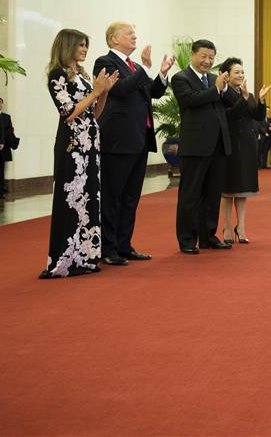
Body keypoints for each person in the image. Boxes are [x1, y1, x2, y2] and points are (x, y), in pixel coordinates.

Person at [93, 21, 174, 266]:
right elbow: (120, 90)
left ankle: (124, 245)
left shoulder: (136, 67)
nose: (134, 37)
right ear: (114, 39)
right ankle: (108, 248)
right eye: (129, 33)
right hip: (117, 140)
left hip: (139, 139)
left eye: (135, 33)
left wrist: (161, 73)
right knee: (113, 196)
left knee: (131, 197)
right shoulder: (105, 62)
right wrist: (145, 69)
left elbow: (153, 92)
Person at [42, 28, 118, 278]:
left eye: (86, 45)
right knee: (71, 199)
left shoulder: (83, 76)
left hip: (91, 143)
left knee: (90, 197)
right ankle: (64, 260)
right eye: (80, 45)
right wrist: (95, 91)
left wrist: (104, 92)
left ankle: (85, 257)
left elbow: (94, 113)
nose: (85, 49)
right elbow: (68, 113)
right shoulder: (57, 74)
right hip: (71, 145)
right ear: (68, 46)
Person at [171, 39, 238, 254]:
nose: (208, 61)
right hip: (195, 146)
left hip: (218, 145)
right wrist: (216, 89)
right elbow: (191, 100)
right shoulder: (181, 78)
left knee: (212, 193)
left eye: (211, 57)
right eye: (204, 56)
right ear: (193, 55)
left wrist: (224, 87)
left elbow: (232, 101)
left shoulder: (213, 79)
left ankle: (208, 236)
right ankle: (187, 239)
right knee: (190, 194)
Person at [219, 57, 271, 244]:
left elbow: (258, 116)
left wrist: (261, 100)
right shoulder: (223, 92)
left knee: (243, 190)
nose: (241, 75)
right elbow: (230, 115)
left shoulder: (247, 94)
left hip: (248, 145)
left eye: (242, 72)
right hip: (230, 146)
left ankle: (240, 227)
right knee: (228, 191)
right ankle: (227, 227)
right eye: (237, 72)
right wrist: (243, 98)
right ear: (227, 75)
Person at [0, 97, 18, 194]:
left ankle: (1, 186)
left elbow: (10, 129)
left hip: (4, 145)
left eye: (0, 102)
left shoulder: (6, 116)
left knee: (1, 166)